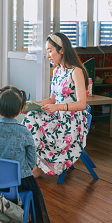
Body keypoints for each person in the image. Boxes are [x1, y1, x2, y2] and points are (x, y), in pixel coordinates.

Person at [22, 33, 89, 178]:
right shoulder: (58, 71)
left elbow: (82, 104)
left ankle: (38, 166)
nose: (48, 55)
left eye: (50, 50)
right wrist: (31, 105)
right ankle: (35, 164)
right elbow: (52, 99)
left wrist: (57, 107)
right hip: (57, 116)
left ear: (62, 50)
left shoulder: (76, 71)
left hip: (71, 122)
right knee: (31, 116)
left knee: (32, 121)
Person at [0, 86, 51, 223]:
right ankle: (27, 215)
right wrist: (26, 168)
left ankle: (11, 212)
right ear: (22, 109)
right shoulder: (24, 132)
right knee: (31, 187)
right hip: (21, 181)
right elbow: (32, 160)